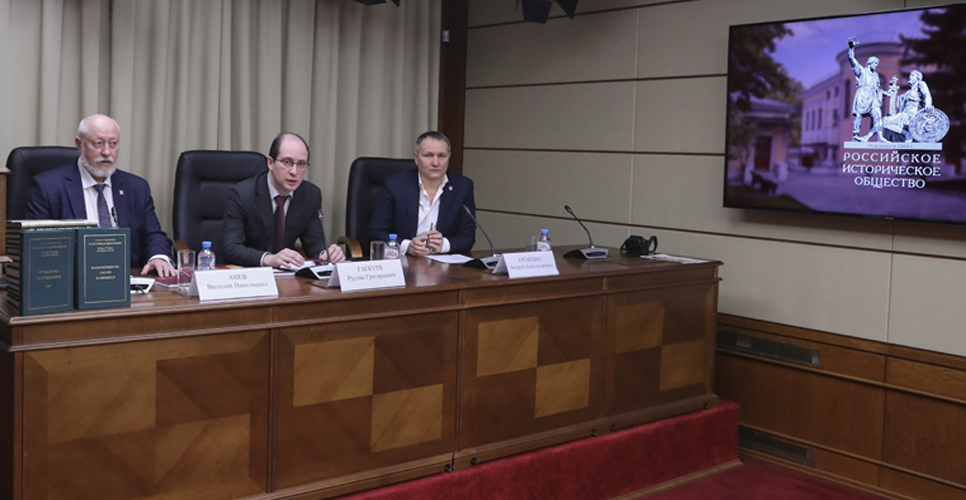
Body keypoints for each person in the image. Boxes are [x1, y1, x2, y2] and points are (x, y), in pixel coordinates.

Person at [27, 114, 176, 277]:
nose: (106, 152)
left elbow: (153, 235)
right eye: (98, 143)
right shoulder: (48, 187)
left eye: (113, 143)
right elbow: (38, 247)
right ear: (79, 145)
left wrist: (158, 257)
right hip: (72, 281)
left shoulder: (137, 187)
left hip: (128, 282)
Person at [221, 132, 345, 268]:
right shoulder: (242, 194)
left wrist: (325, 254)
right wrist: (269, 259)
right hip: (250, 272)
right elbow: (230, 248)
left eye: (301, 164)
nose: (294, 172)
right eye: (287, 162)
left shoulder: (310, 195)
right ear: (270, 163)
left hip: (288, 274)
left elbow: (314, 243)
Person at [369, 131, 476, 257]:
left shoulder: (463, 187)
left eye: (441, 156)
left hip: (442, 261)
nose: (435, 163)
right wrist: (407, 246)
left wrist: (443, 245)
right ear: (416, 158)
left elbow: (468, 237)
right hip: (403, 260)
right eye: (428, 155)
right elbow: (377, 233)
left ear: (449, 157)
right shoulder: (394, 185)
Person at [847, 37, 884, 142]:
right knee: (859, 115)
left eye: (877, 64)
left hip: (872, 97)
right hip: (862, 95)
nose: (876, 66)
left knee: (877, 114)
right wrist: (851, 48)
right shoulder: (861, 71)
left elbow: (878, 89)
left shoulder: (876, 75)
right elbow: (852, 60)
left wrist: (883, 95)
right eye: (875, 63)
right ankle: (855, 135)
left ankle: (880, 136)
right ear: (869, 63)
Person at [882, 70, 933, 143]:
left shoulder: (921, 84)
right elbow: (899, 101)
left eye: (912, 75)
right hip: (904, 114)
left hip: (912, 115)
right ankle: (906, 134)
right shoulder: (908, 92)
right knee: (884, 121)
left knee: (885, 121)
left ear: (917, 78)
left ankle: (907, 134)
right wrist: (893, 90)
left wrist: (928, 104)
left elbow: (927, 95)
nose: (910, 77)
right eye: (910, 75)